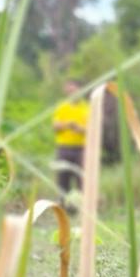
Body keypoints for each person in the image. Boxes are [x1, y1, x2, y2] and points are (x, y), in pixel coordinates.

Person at [52, 80, 89, 210]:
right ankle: (63, 209)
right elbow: (55, 125)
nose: (71, 93)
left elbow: (92, 128)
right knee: (63, 179)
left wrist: (79, 128)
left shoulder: (87, 107)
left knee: (82, 179)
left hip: (81, 149)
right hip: (64, 148)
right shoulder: (62, 107)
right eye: (68, 91)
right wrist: (68, 124)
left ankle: (82, 209)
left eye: (73, 90)